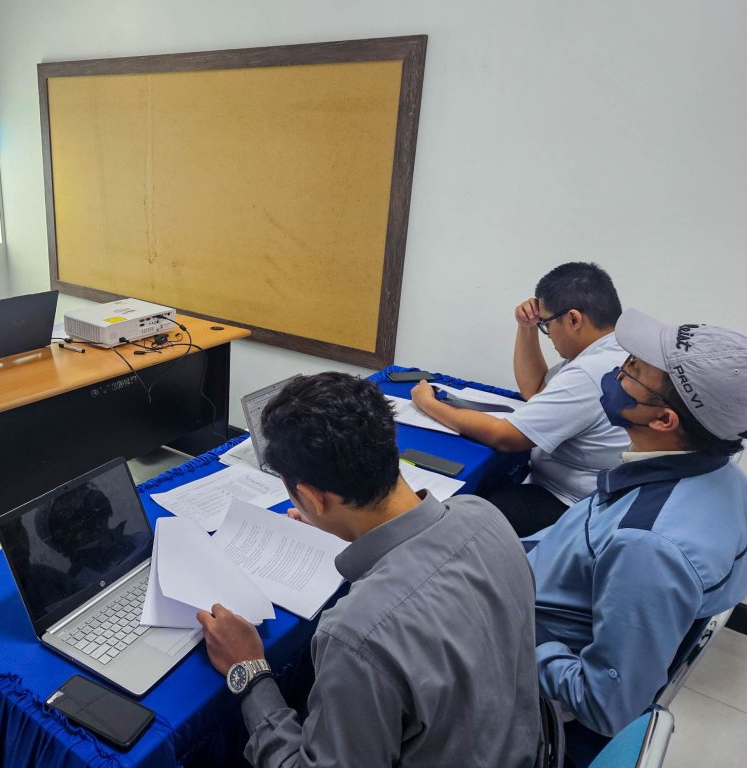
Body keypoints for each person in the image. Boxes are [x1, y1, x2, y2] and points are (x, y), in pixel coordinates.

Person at [196, 372, 540, 768]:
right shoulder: (484, 515)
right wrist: (337, 525)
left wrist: (249, 670)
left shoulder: (356, 634)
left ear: (312, 497)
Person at [526, 309, 747, 766]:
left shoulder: (649, 545)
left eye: (631, 370)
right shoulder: (719, 478)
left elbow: (604, 704)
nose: (616, 372)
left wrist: (516, 637)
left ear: (663, 419)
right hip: (545, 592)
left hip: (529, 654)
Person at [411, 262, 629, 535]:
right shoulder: (616, 350)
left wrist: (428, 404)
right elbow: (536, 389)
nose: (548, 335)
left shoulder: (588, 372)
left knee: (455, 521)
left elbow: (505, 436)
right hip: (587, 493)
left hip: (570, 504)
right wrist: (527, 327)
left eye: (546, 325)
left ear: (573, 319)